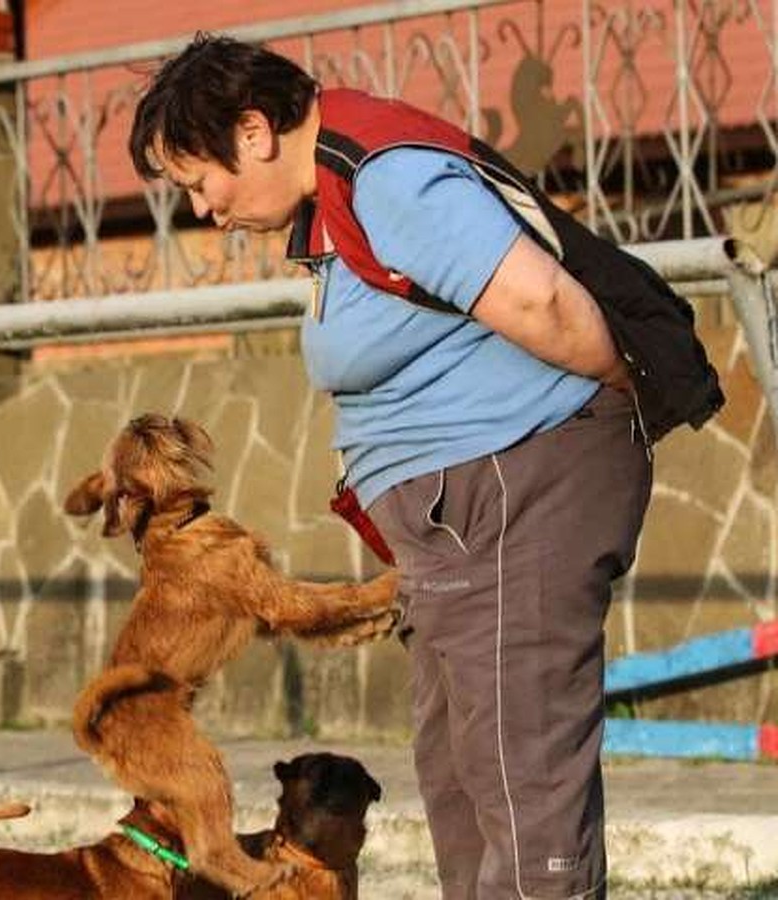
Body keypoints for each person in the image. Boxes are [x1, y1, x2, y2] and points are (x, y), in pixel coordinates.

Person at [127, 34, 722, 900]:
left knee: (522, 779)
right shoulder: (335, 198)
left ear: (251, 132)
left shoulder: (384, 176)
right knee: (461, 776)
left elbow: (542, 300)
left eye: (197, 182)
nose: (203, 209)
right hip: (467, 512)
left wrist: (610, 400)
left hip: (518, 489)